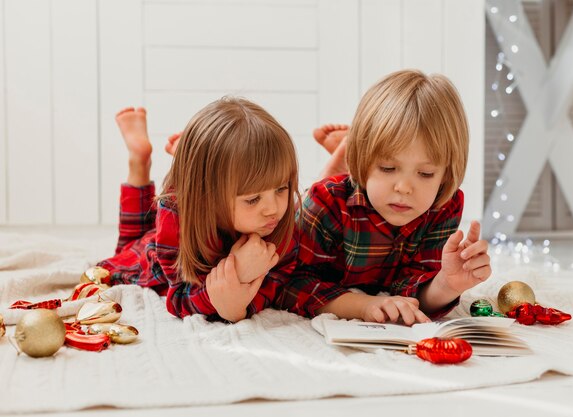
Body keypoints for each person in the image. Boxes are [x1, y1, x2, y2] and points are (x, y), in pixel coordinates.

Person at [276, 69, 492, 325]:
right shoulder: (325, 202)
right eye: (388, 168)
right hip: (320, 210)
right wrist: (363, 305)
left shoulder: (442, 204)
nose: (404, 188)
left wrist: (446, 284)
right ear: (364, 162)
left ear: (445, 175)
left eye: (425, 173)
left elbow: (412, 288)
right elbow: (288, 284)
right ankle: (341, 155)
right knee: (305, 199)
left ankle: (349, 152)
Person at [96, 97, 300, 322]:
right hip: (154, 258)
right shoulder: (176, 214)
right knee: (128, 246)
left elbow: (269, 292)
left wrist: (237, 303)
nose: (273, 209)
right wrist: (237, 274)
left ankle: (194, 158)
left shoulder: (283, 230)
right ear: (208, 196)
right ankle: (139, 161)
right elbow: (178, 300)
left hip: (203, 198)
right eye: (253, 200)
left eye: (282, 189)